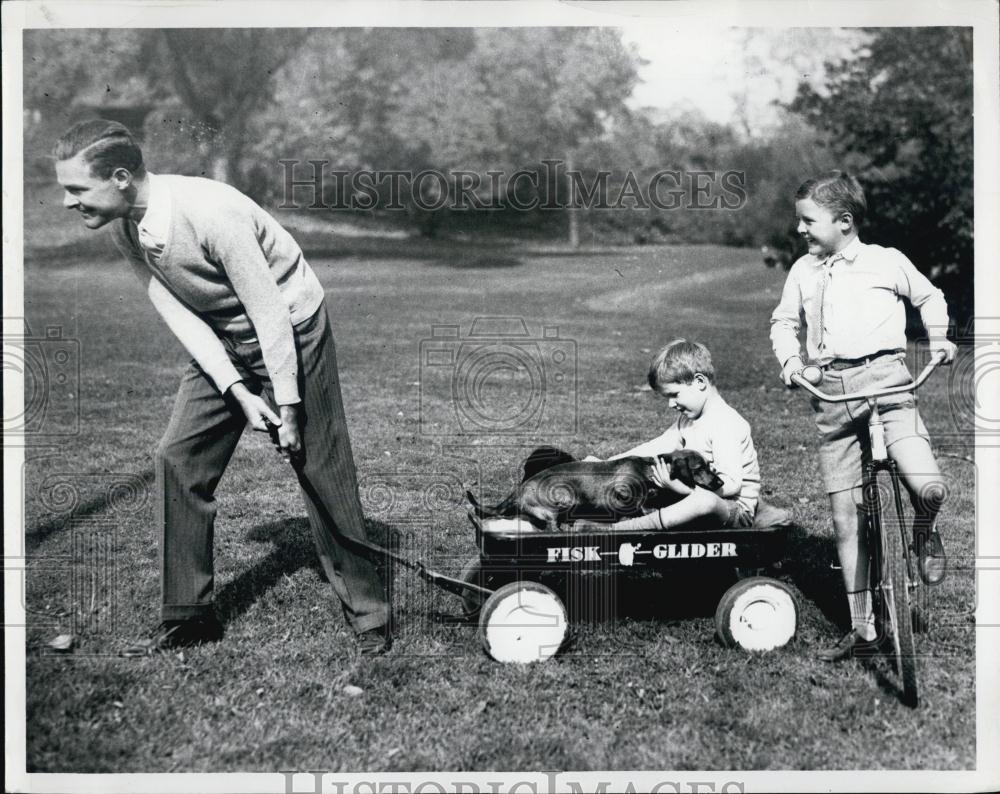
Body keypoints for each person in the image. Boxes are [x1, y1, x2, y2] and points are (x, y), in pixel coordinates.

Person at [53, 120, 392, 656]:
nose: (68, 202)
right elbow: (177, 311)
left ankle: (370, 615)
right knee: (178, 456)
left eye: (76, 189)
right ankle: (188, 615)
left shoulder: (211, 211)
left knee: (319, 464)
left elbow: (269, 311)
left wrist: (289, 404)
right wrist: (236, 390)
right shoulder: (124, 226)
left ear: (120, 178)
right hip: (222, 336)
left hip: (292, 329)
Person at [770, 170, 957, 662]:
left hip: (889, 382)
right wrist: (791, 363)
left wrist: (937, 337)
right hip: (831, 393)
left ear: (845, 222)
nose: (801, 230)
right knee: (845, 519)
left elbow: (929, 296)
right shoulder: (803, 271)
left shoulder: (884, 262)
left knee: (929, 484)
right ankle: (864, 629)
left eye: (809, 221)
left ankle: (924, 526)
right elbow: (784, 322)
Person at [587, 339, 761, 532]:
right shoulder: (688, 420)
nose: (671, 404)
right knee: (642, 478)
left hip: (732, 510)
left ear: (700, 382)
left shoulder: (725, 423)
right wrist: (605, 463)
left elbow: (731, 485)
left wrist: (679, 488)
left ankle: (620, 529)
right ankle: (599, 514)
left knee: (704, 502)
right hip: (694, 495)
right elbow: (657, 445)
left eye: (674, 395)